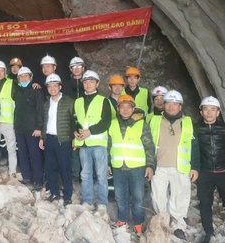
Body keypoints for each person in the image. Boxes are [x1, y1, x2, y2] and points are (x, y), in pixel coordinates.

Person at [149, 90, 200, 241]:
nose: (171, 107)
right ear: (163, 105)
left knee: (180, 197)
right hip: (159, 166)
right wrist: (149, 165)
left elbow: (195, 146)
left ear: (180, 106)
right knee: (158, 197)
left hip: (181, 167)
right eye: (168, 104)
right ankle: (163, 223)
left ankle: (179, 226)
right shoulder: (155, 121)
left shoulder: (188, 122)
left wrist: (195, 167)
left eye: (174, 104)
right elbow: (148, 144)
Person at [108, 95, 156, 235]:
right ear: (118, 109)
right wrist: (107, 164)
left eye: (128, 107)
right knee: (120, 196)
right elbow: (108, 145)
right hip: (118, 167)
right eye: (122, 107)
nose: (125, 110)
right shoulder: (112, 124)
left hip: (137, 168)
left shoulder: (141, 124)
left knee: (138, 197)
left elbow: (149, 147)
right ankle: (122, 219)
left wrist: (150, 165)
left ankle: (138, 222)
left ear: (133, 109)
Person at [194, 96, 225, 243]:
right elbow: (192, 150)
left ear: (218, 112)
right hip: (205, 172)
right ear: (201, 112)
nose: (209, 112)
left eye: (212, 109)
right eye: (206, 109)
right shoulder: (196, 128)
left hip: (224, 172)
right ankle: (208, 232)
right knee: (205, 203)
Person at [73, 70, 111, 213]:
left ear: (97, 84)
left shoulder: (103, 101)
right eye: (86, 82)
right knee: (85, 174)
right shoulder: (78, 101)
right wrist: (75, 131)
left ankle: (102, 203)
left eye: (91, 81)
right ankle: (87, 201)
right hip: (84, 144)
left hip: (98, 144)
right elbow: (76, 120)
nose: (88, 84)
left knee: (101, 174)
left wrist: (90, 131)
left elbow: (106, 122)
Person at [39, 74, 75, 204]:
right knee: (50, 168)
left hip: (63, 140)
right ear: (47, 88)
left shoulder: (69, 101)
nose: (52, 88)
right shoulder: (46, 103)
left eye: (55, 86)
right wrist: (42, 138)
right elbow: (44, 122)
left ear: (60, 87)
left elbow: (73, 121)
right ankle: (54, 193)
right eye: (50, 86)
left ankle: (67, 196)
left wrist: (73, 138)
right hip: (49, 139)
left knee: (65, 168)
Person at [14, 66, 45, 190]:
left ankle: (38, 180)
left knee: (35, 155)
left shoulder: (36, 90)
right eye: (21, 76)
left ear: (31, 77)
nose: (23, 78)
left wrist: (39, 127)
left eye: (26, 76)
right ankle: (27, 177)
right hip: (20, 128)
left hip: (32, 129)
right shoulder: (18, 91)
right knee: (22, 154)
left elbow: (40, 110)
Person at [0, 60, 18, 178]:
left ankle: (12, 172)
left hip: (8, 121)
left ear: (5, 72)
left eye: (1, 71)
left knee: (11, 148)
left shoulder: (12, 83)